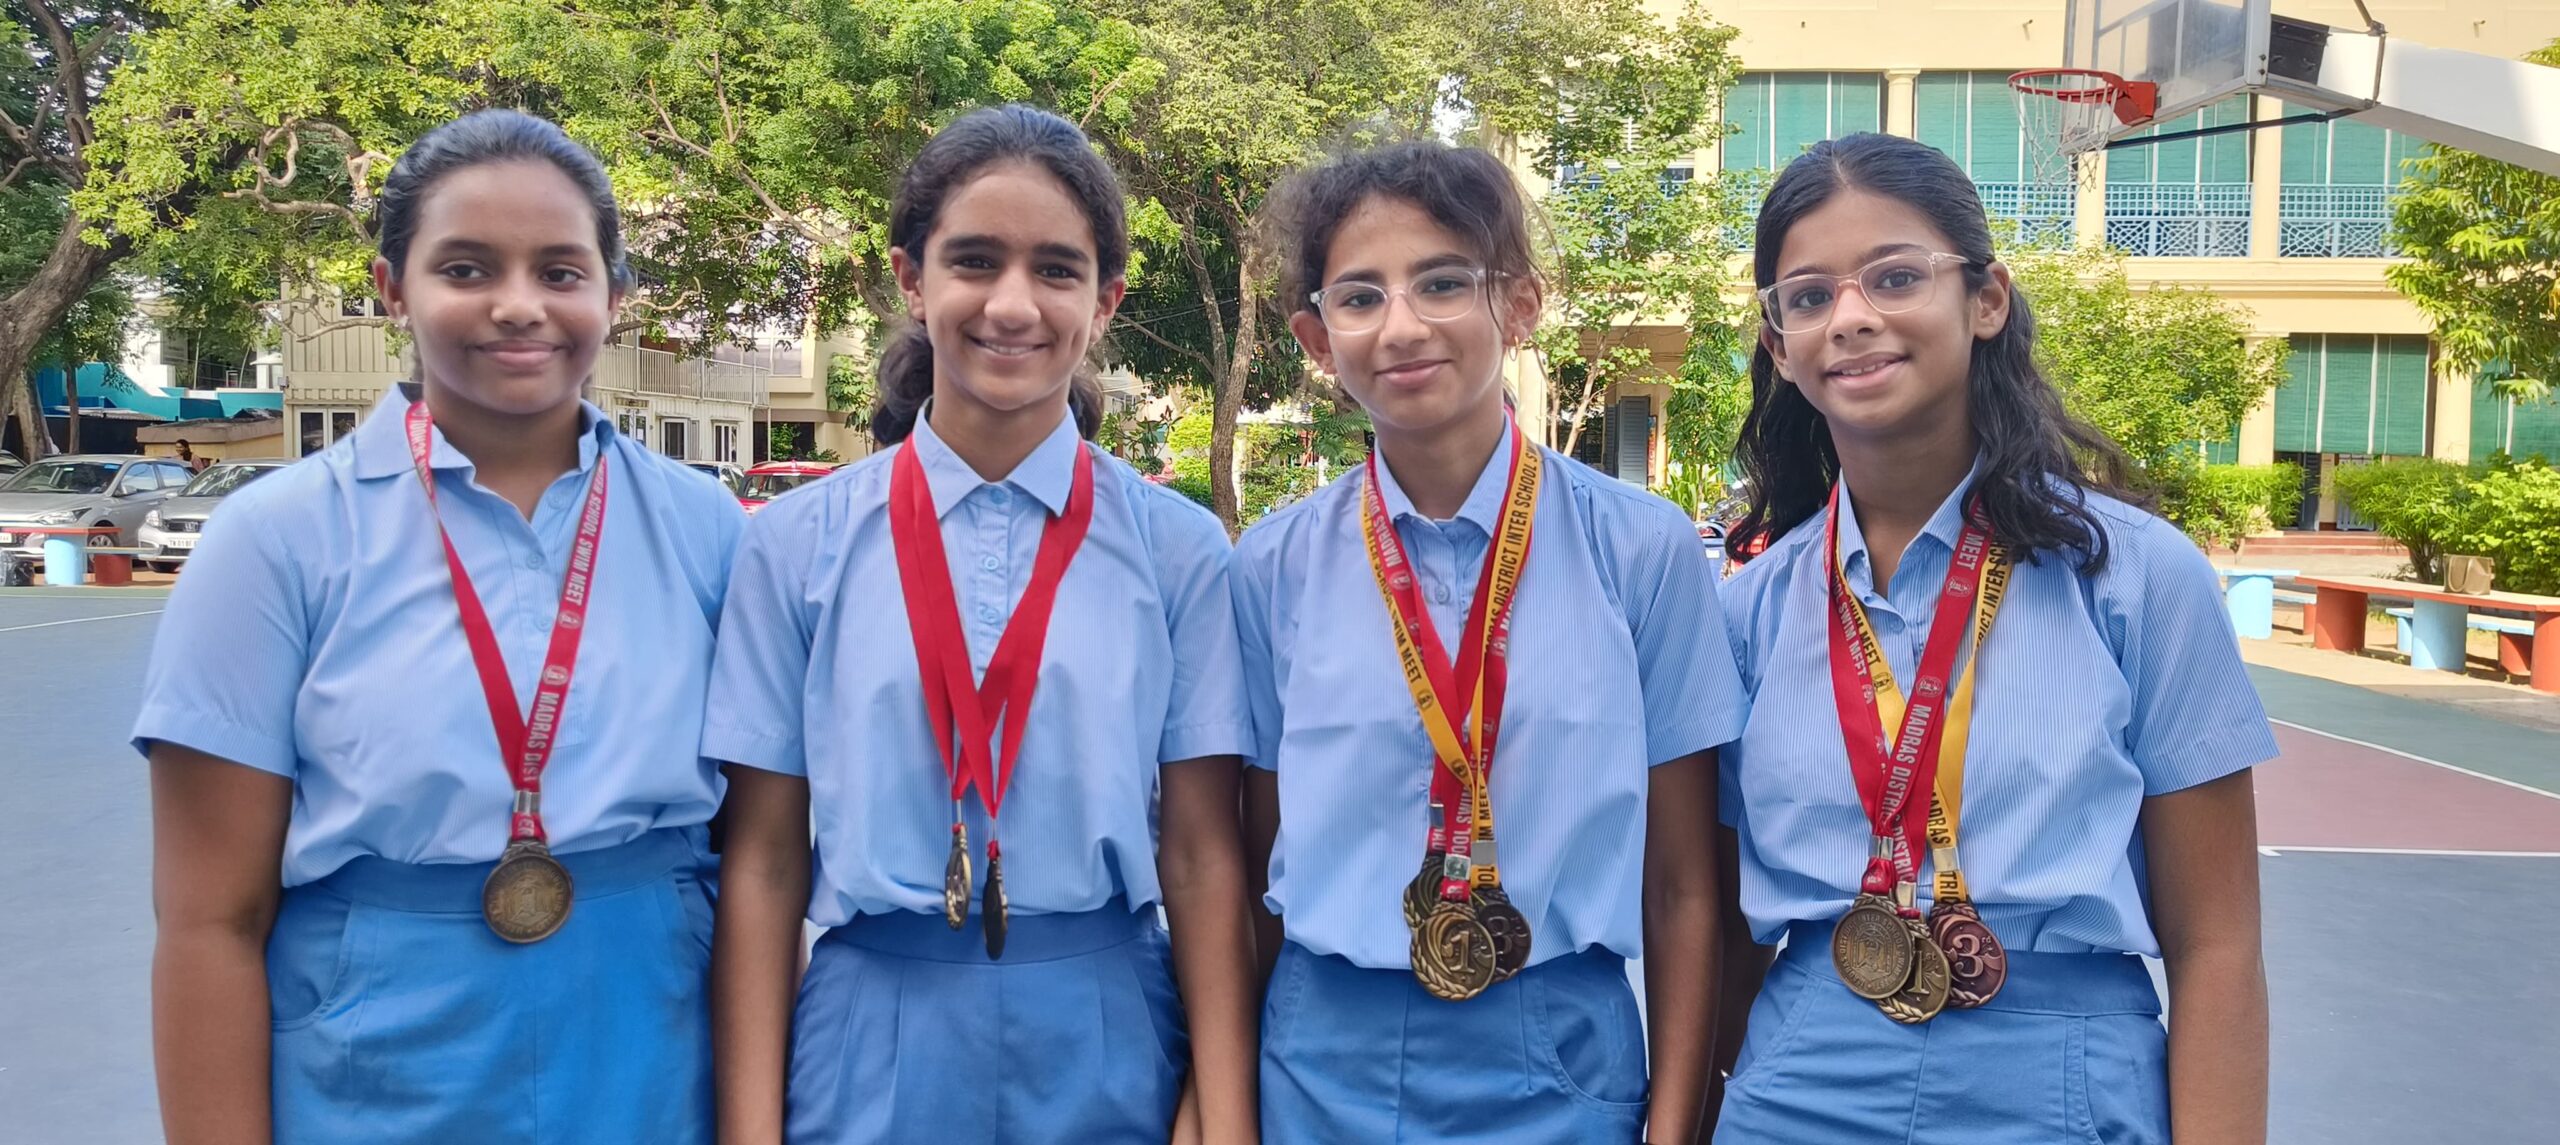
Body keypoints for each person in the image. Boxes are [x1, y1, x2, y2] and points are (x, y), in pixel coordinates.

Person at [134, 109, 743, 1143]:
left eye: (560, 271)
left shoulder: (709, 529)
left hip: (649, 1038)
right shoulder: (277, 540)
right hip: (378, 1060)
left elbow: (759, 861)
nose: (519, 305)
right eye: (466, 269)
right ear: (392, 289)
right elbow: (209, 922)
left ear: (613, 296)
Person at [705, 104, 1260, 1145]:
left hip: (1107, 1019)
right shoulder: (796, 545)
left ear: (1104, 301)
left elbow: (1200, 852)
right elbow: (765, 860)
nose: (1012, 303)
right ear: (912, 281)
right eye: (973, 261)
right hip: (872, 1027)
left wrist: (1223, 1113)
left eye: (1056, 269)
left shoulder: (1178, 551)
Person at [1710, 132, 2274, 1144]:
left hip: (2062, 1080)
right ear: (1780, 346)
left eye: (1895, 277)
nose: (1852, 316)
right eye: (1809, 296)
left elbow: (2218, 943)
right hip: (1803, 1078)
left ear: (1986, 299)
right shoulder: (1746, 615)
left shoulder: (2139, 579)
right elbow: (1721, 934)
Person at [1236, 140, 1746, 1144]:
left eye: (1441, 283)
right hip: (1321, 1052)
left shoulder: (1642, 551)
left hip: (1558, 1049)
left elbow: (1684, 883)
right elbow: (1254, 857)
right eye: (1359, 296)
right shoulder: (1270, 567)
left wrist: (1675, 1122)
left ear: (1518, 304)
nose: (1401, 326)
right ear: (1315, 337)